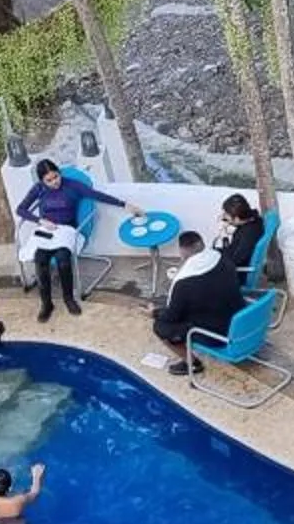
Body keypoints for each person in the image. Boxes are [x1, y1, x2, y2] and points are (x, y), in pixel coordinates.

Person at [15, 160, 140, 322]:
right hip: (45, 230)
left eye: (56, 177)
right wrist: (39, 221)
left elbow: (96, 195)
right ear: (42, 181)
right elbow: (21, 209)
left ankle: (69, 298)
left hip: (67, 230)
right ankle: (46, 303)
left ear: (59, 173)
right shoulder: (38, 189)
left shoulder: (72, 185)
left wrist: (125, 205)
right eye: (49, 180)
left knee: (63, 260)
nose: (54, 182)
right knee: (40, 260)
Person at [151, 231, 247, 377]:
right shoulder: (222, 257)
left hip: (218, 336)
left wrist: (154, 312)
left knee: (161, 326)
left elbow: (171, 317)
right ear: (202, 243)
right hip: (241, 320)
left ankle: (193, 364)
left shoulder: (183, 282)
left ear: (182, 252)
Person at [214, 194, 266, 287]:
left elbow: (234, 261)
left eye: (226, 215)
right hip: (237, 259)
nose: (224, 216)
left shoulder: (247, 235)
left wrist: (224, 239)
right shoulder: (255, 220)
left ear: (237, 218)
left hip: (237, 273)